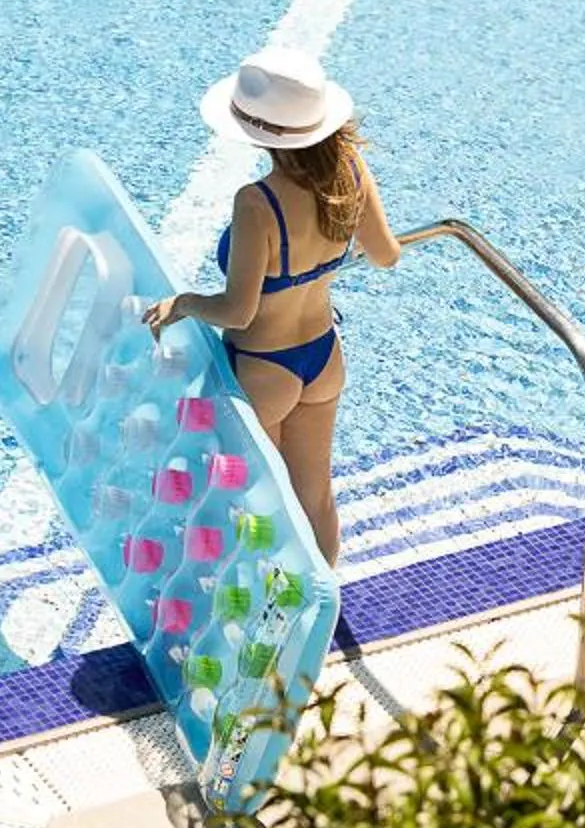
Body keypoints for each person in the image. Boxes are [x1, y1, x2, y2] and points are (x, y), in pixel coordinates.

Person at [143, 47, 399, 565]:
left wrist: (185, 303)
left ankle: (263, 624)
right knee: (316, 498)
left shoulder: (257, 203)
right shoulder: (351, 171)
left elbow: (238, 311)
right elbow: (385, 255)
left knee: (252, 507)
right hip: (323, 357)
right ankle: (318, 617)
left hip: (263, 369)